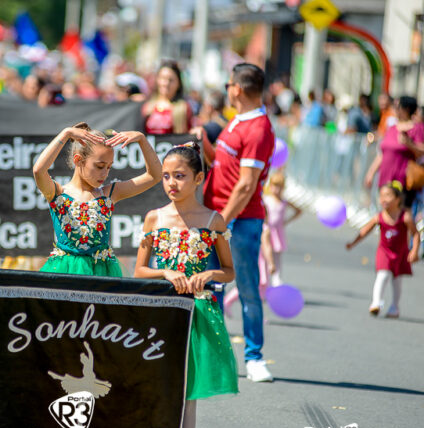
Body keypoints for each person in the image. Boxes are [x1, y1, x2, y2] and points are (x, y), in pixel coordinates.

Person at [135, 143, 238, 428]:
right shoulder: (154, 218)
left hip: (197, 314)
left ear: (198, 179)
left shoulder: (213, 220)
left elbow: (229, 271)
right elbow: (139, 270)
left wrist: (209, 274)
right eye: (166, 176)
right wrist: (165, 272)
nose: (171, 183)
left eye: (179, 176)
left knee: (187, 397)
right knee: (158, 390)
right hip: (161, 312)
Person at [193, 63, 275, 382]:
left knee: (247, 289)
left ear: (237, 89)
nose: (227, 89)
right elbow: (222, 163)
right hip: (219, 218)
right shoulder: (237, 120)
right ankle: (213, 355)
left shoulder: (259, 128)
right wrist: (203, 142)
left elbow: (246, 185)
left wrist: (221, 222)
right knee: (211, 286)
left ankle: (254, 357)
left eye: (229, 85)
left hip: (239, 222)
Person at [32, 123, 162, 276]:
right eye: (100, 166)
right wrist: (66, 133)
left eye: (109, 167)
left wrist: (142, 139)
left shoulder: (109, 194)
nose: (105, 173)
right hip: (65, 272)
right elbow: (38, 171)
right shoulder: (57, 193)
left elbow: (155, 175)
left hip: (102, 272)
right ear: (78, 160)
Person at [223, 172, 302, 314]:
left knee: (262, 282)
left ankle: (263, 303)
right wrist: (271, 264)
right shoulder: (266, 204)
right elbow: (266, 246)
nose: (277, 190)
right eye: (275, 186)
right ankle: (231, 301)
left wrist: (285, 222)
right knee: (256, 282)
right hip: (264, 245)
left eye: (280, 187)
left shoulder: (283, 202)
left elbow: (298, 211)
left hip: (274, 238)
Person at [346, 181, 420, 318]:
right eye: (381, 196)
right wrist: (353, 243)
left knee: (397, 281)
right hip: (384, 252)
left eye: (388, 196)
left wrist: (414, 251)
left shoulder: (405, 217)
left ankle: (395, 307)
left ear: (398, 199)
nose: (383, 199)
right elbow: (364, 231)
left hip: (400, 253)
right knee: (383, 275)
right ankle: (376, 302)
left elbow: (416, 234)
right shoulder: (379, 217)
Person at [365, 96, 424, 208]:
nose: (394, 109)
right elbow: (382, 154)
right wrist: (371, 172)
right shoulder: (392, 128)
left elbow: (421, 152)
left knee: (401, 213)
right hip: (385, 178)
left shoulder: (416, 128)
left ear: (406, 109)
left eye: (397, 106)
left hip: (403, 181)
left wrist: (409, 144)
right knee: (384, 211)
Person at [143, 61, 192, 135]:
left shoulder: (184, 108)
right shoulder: (148, 106)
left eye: (171, 80)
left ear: (178, 83)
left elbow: (189, 134)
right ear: (157, 80)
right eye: (163, 78)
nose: (166, 83)